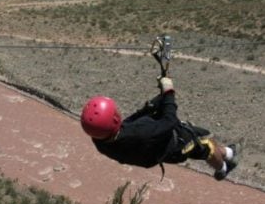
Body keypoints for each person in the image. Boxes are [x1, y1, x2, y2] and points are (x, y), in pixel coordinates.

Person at [80, 77, 240, 180]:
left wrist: (152, 104)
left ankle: (228, 153)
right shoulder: (142, 133)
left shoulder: (101, 139)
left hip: (156, 150)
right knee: (206, 145)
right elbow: (170, 120)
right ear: (114, 119)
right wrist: (169, 92)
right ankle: (222, 169)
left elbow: (128, 124)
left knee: (204, 140)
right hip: (174, 144)